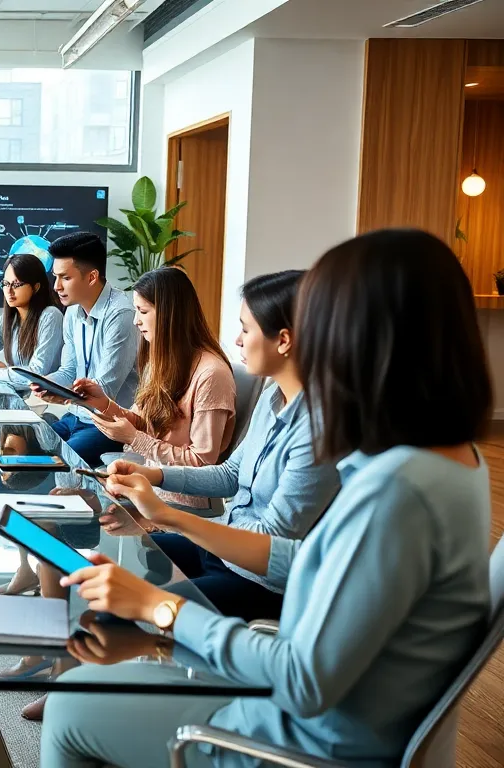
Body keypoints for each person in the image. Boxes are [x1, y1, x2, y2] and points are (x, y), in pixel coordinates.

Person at [39, 229, 494, 768]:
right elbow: (302, 564)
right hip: (311, 702)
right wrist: (158, 629)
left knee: (70, 706)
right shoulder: (452, 462)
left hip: (300, 736)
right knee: (95, 675)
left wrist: (157, 609)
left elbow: (303, 680)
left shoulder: (396, 491)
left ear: (365, 336)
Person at [103, 270, 339, 622]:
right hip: (221, 550)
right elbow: (230, 475)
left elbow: (271, 543)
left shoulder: (319, 430)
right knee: (111, 557)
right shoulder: (273, 396)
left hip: (258, 582)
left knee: (119, 614)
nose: (237, 341)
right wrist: (152, 474)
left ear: (284, 340)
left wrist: (167, 516)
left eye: (246, 329)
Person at [42, 267, 236, 509]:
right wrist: (102, 403)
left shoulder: (211, 374)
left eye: (143, 311)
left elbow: (201, 464)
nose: (136, 320)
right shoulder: (163, 362)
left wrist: (134, 438)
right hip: (146, 492)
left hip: (179, 506)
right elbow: (141, 421)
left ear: (170, 315)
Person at [39, 231, 141, 467]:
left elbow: (105, 391)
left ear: (92, 277)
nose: (56, 286)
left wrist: (63, 395)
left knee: (60, 461)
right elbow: (68, 371)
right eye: (55, 277)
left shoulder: (121, 314)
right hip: (76, 416)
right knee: (31, 447)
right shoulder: (72, 312)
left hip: (108, 424)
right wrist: (45, 383)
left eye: (65, 278)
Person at [0, 253, 63, 387]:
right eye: (5, 284)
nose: (9, 291)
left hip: (43, 398)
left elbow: (37, 373)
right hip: (16, 395)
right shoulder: (9, 320)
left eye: (16, 284)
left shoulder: (50, 316)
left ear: (36, 287)